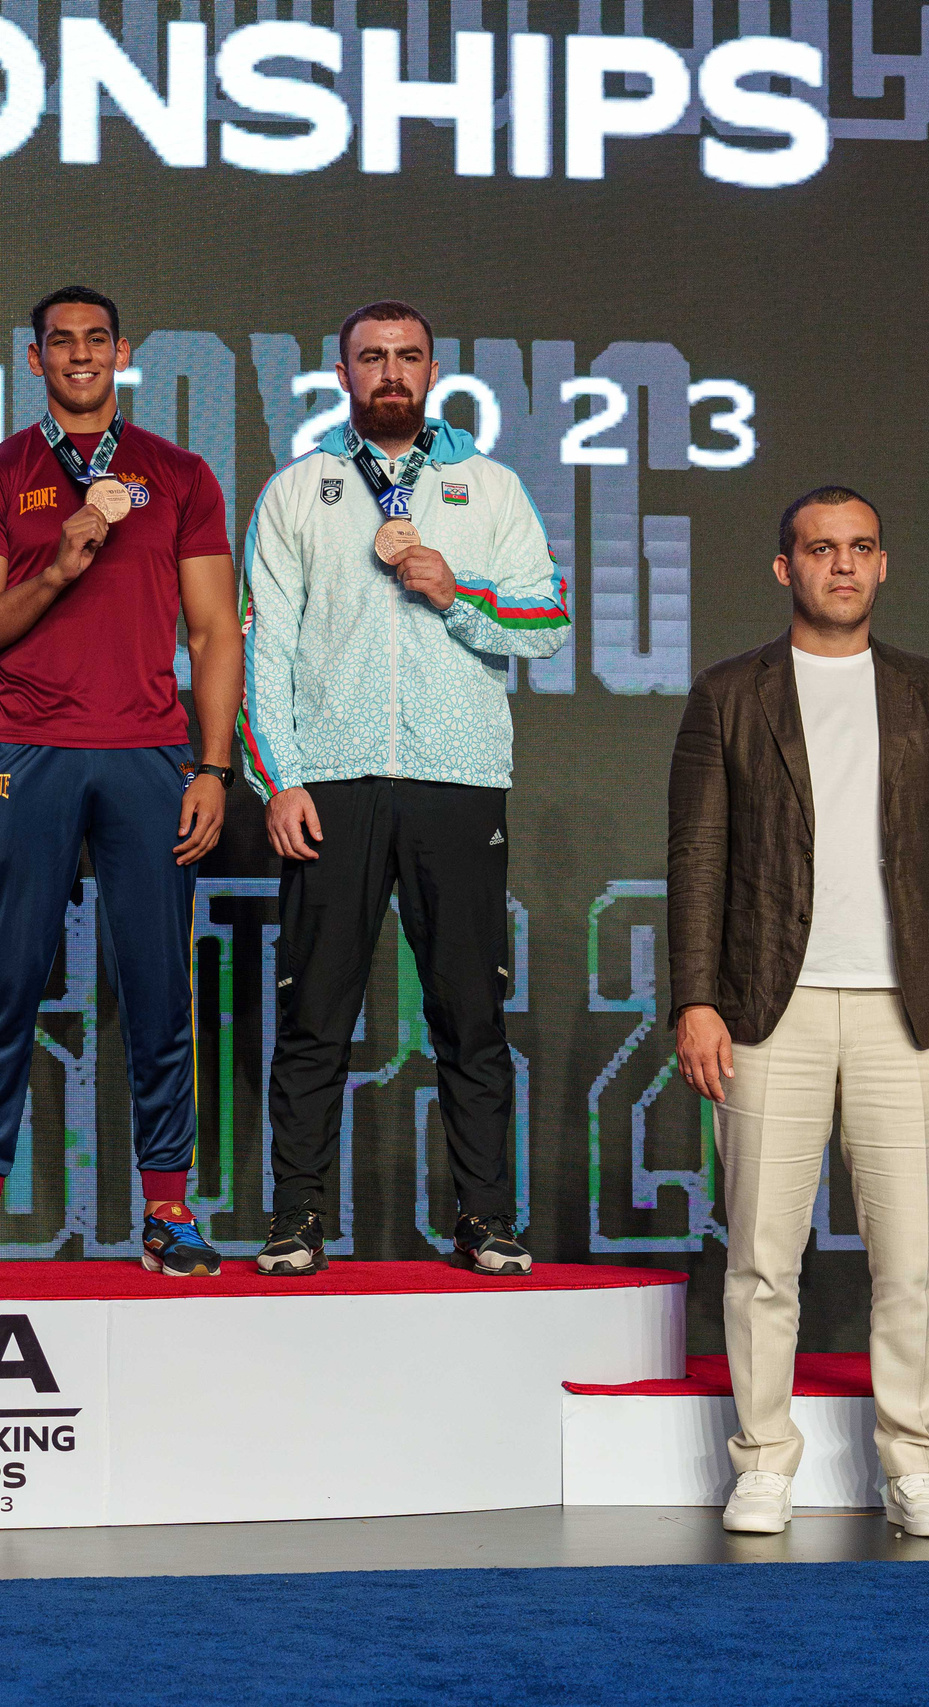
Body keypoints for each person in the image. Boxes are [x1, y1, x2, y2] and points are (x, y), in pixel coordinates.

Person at [666, 487, 929, 1540]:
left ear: (882, 565)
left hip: (906, 1012)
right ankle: (763, 1462)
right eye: (819, 549)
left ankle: (915, 1466)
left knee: (911, 1262)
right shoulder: (729, 693)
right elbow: (696, 861)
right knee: (762, 1257)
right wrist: (695, 999)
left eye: (859, 547)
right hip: (769, 1006)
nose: (840, 566)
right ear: (784, 568)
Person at [241, 299, 570, 1281]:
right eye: (370, 358)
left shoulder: (489, 487)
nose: (390, 372)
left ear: (434, 371)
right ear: (341, 374)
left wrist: (453, 592)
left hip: (457, 781)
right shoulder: (301, 490)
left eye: (408, 357)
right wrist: (281, 779)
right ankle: (296, 1220)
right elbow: (269, 648)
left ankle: (487, 1221)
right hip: (331, 786)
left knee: (471, 1014)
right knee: (313, 1015)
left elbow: (545, 621)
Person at [0, 285, 242, 1278]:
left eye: (95, 340)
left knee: (158, 986)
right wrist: (58, 569)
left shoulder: (179, 474)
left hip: (150, 755)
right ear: (34, 361)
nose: (78, 356)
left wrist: (213, 764)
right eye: (59, 343)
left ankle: (170, 1209)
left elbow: (212, 630)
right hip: (25, 751)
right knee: (4, 984)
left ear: (121, 353)